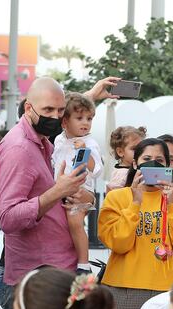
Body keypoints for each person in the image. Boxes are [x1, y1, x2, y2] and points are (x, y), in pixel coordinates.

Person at [0, 77, 92, 309]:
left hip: (56, 270)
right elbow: (8, 217)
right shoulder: (19, 149)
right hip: (29, 278)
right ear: (28, 107)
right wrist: (56, 192)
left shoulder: (43, 143)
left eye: (60, 111)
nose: (55, 117)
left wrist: (74, 195)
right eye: (48, 109)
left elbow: (45, 201)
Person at [98, 137, 173, 309]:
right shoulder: (117, 197)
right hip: (124, 288)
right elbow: (118, 243)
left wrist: (171, 204)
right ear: (135, 164)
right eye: (146, 159)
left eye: (160, 160)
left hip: (168, 288)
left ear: (169, 166)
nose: (153, 164)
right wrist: (135, 203)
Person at [52, 92, 103, 273]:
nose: (85, 123)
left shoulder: (90, 143)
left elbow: (97, 170)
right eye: (79, 118)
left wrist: (86, 153)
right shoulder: (59, 139)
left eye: (89, 119)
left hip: (81, 190)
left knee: (75, 221)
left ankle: (83, 264)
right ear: (65, 122)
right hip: (60, 189)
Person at [107, 126, 146, 192]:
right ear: (120, 152)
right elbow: (116, 198)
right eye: (134, 149)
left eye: (142, 148)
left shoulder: (133, 169)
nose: (140, 152)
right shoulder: (121, 174)